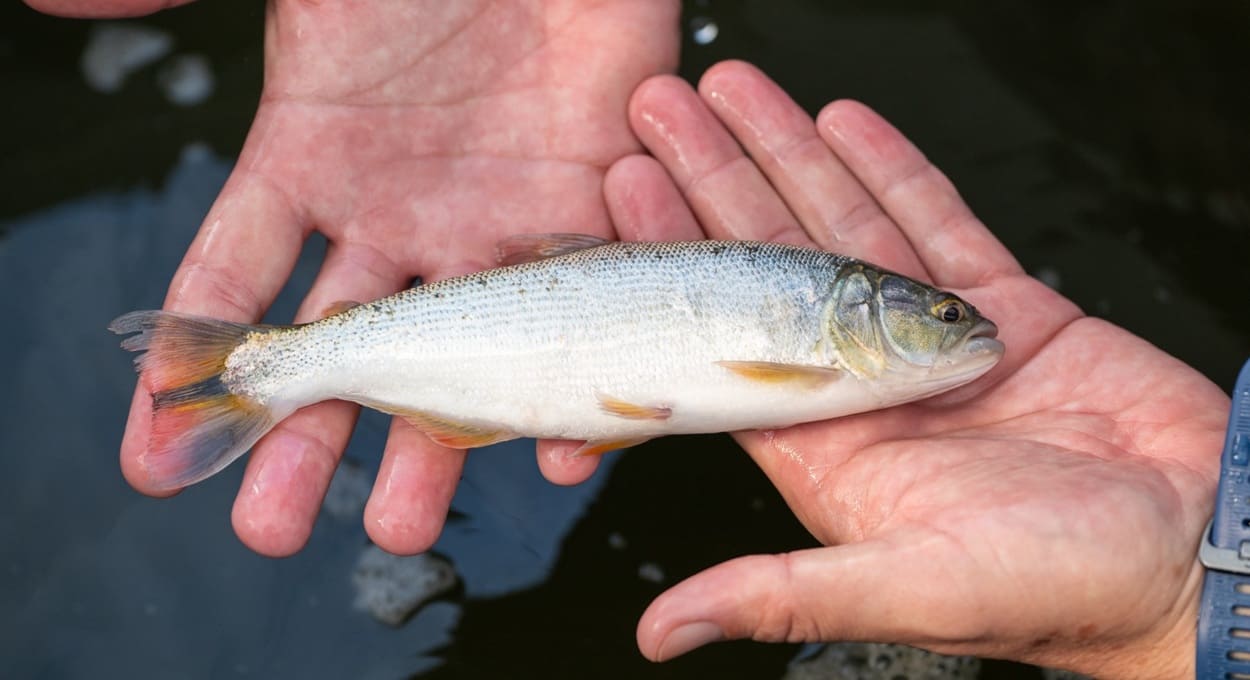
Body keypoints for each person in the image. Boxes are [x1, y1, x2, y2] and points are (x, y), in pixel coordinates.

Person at [31, 2, 1223, 678]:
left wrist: (1201, 586)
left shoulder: (825, 338)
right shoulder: (807, 353)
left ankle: (252, 365)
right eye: (942, 321)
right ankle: (253, 368)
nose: (970, 335)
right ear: (866, 323)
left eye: (949, 320)